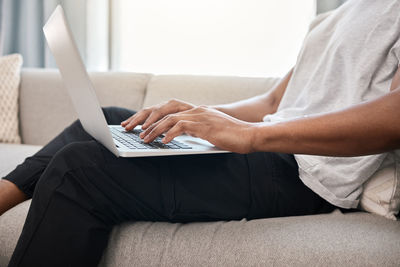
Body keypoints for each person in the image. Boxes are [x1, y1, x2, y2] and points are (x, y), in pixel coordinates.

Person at [1, 0, 399, 266]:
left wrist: (253, 137)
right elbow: (276, 100)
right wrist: (199, 115)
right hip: (269, 146)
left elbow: (393, 117)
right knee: (108, 121)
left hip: (306, 174)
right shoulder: (336, 16)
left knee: (80, 169)